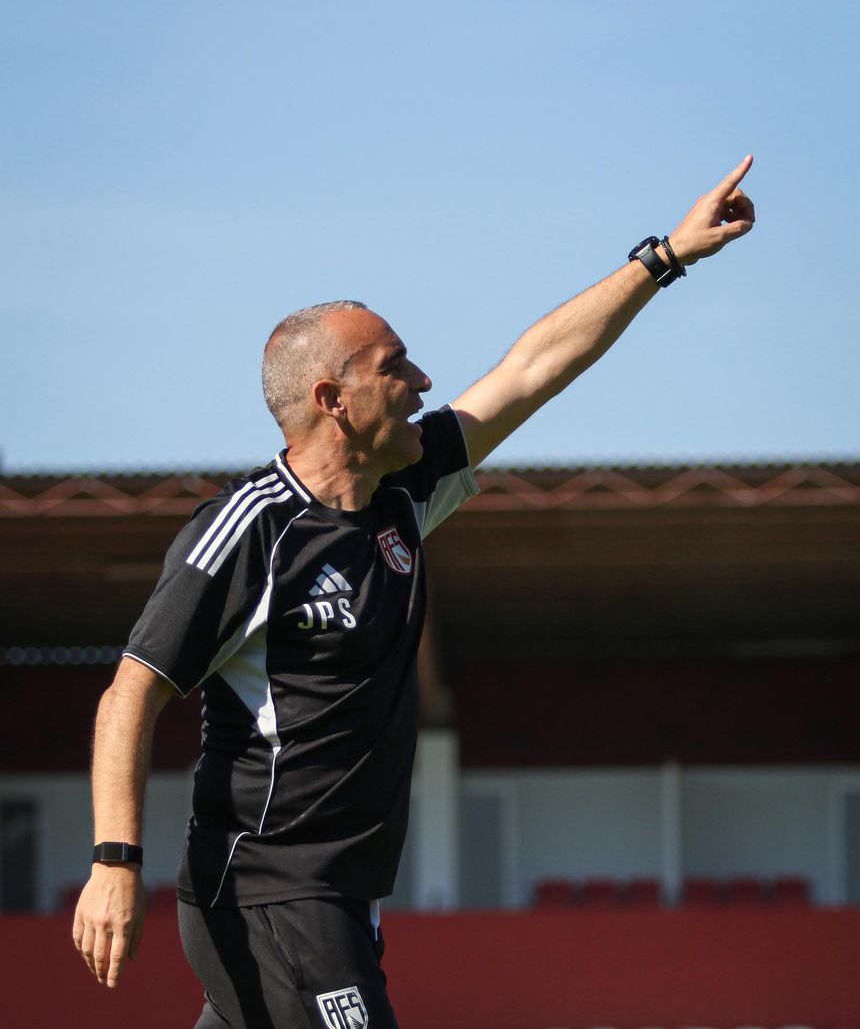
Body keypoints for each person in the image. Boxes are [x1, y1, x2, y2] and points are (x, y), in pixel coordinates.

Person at [73, 157, 755, 1027]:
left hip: (336, 897)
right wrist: (112, 862)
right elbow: (130, 694)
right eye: (397, 368)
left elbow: (530, 370)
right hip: (269, 890)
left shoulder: (403, 492)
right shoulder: (250, 528)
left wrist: (663, 257)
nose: (425, 382)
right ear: (334, 399)